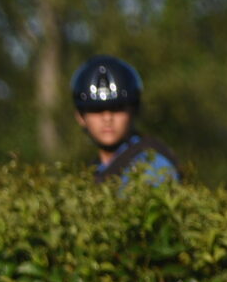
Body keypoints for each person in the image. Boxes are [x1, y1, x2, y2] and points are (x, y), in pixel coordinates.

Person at [71, 55, 180, 188]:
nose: (107, 118)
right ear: (80, 117)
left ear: (134, 110)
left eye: (117, 108)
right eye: (96, 109)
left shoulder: (153, 165)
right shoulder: (92, 171)